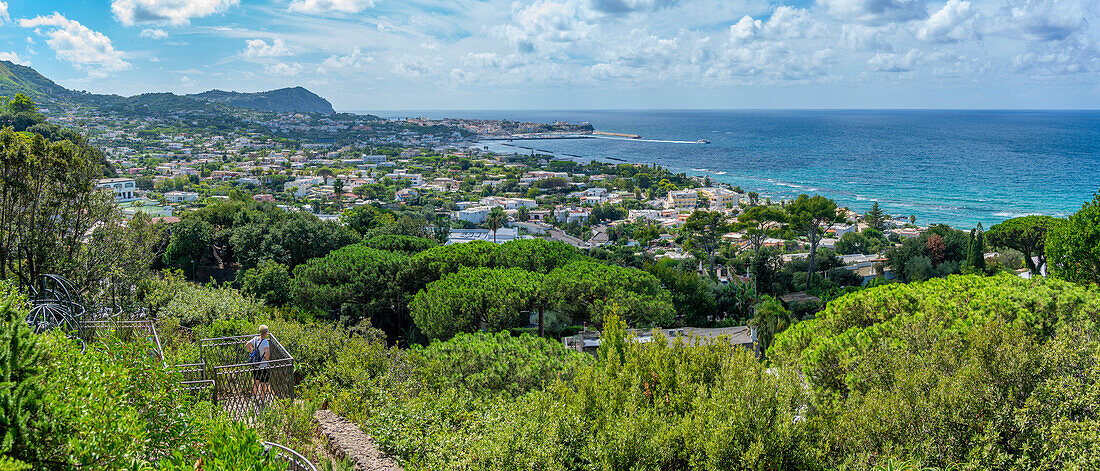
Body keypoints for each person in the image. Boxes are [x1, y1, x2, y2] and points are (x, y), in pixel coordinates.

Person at [245, 324, 271, 402]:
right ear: (266, 332)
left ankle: (254, 397)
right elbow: (267, 352)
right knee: (263, 382)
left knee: (256, 381)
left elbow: (247, 345)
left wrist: (252, 352)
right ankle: (263, 398)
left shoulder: (255, 339)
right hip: (263, 364)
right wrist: (267, 360)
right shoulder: (265, 341)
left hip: (256, 364)